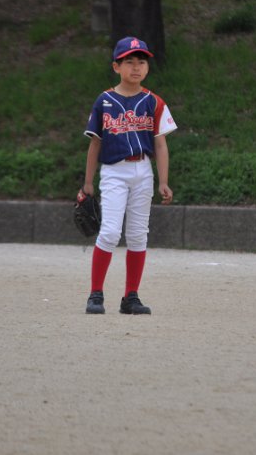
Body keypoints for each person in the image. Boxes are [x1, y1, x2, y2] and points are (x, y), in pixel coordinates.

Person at [80, 36, 176, 315]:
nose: (136, 67)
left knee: (137, 235)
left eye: (141, 62)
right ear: (116, 66)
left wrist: (163, 181)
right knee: (110, 231)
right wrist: (88, 182)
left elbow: (160, 144)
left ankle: (130, 297)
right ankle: (95, 294)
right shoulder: (104, 101)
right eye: (129, 62)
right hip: (114, 171)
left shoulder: (154, 102)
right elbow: (95, 143)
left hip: (143, 170)